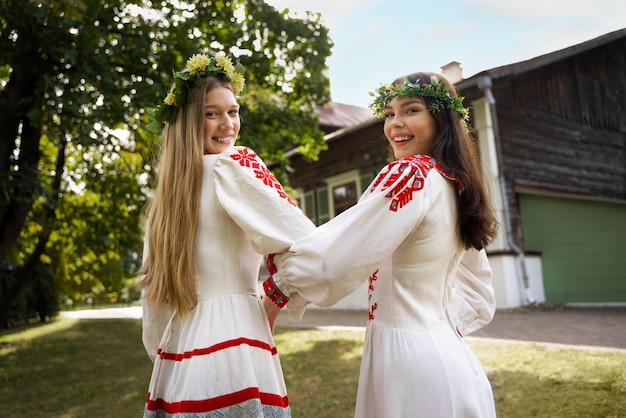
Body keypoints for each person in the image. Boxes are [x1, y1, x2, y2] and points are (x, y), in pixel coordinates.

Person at [262, 72, 500, 417]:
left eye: (411, 110)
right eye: (389, 114)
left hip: (411, 369)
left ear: (442, 119)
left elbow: (335, 259)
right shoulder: (455, 186)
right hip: (451, 358)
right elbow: (480, 295)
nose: (395, 124)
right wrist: (435, 327)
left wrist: (273, 295)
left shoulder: (411, 175)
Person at [139, 51, 315, 417]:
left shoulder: (165, 200)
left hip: (178, 360)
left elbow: (153, 316)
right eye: (211, 113)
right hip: (238, 344)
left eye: (232, 111)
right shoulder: (234, 165)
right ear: (189, 120)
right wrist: (272, 300)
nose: (227, 124)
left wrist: (167, 357)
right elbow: (309, 243)